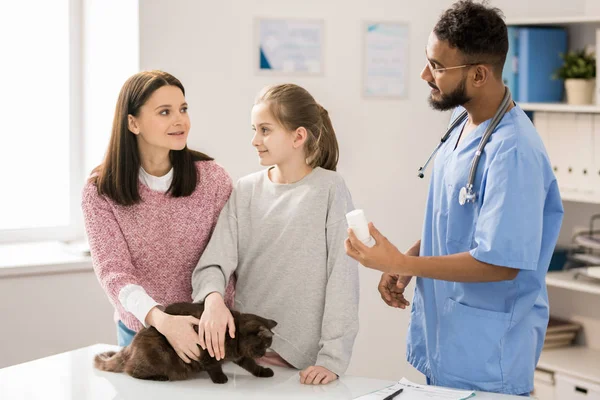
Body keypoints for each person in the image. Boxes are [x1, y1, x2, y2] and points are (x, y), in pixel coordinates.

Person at [345, 1, 564, 395]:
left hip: (488, 355)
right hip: (448, 339)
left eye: (438, 66)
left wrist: (401, 260)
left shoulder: (513, 151)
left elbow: (500, 262)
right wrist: (414, 259)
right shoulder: (461, 120)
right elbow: (460, 219)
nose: (425, 74)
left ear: (479, 74)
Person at [191, 83, 359, 385]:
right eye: (254, 129)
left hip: (304, 364)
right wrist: (213, 300)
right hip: (243, 356)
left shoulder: (330, 189)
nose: (255, 140)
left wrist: (332, 359)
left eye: (265, 130)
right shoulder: (245, 190)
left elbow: (342, 279)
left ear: (298, 136)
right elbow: (214, 262)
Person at [82, 70, 232, 365]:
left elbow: (227, 255)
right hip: (142, 333)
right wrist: (161, 320)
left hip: (208, 331)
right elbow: (114, 273)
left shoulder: (213, 179)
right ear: (132, 123)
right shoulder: (100, 190)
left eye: (183, 109)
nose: (180, 120)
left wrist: (214, 305)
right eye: (165, 112)